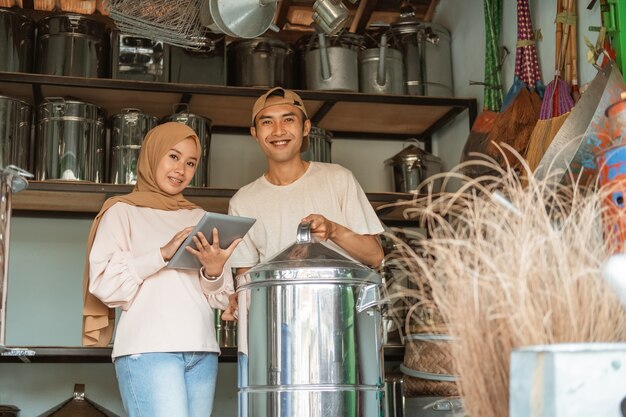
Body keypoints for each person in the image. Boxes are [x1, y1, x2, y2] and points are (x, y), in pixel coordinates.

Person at [82, 122, 240, 417]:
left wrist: (214, 272)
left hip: (202, 350)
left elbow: (221, 298)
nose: (181, 169)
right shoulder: (121, 211)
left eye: (191, 162)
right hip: (149, 350)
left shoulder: (200, 216)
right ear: (152, 155)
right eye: (173, 156)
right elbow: (104, 285)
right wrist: (161, 254)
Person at [225, 86, 385, 316]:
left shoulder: (338, 178)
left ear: (306, 127)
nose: (278, 131)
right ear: (254, 133)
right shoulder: (243, 201)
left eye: (288, 120)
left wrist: (333, 230)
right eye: (267, 122)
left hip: (342, 318)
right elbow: (246, 280)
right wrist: (236, 301)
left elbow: (375, 256)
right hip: (278, 323)